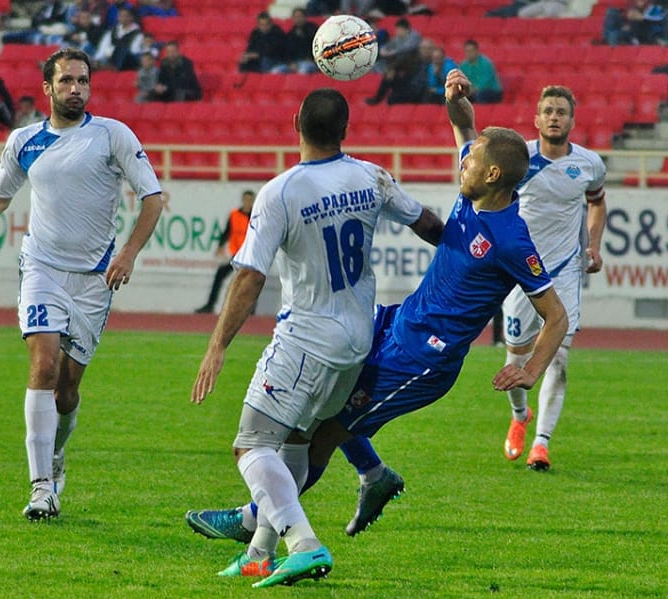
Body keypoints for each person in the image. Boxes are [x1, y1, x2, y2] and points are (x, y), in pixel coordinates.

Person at [185, 70, 567, 544]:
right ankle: (372, 475)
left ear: (492, 175)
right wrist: (455, 99)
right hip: (399, 320)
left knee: (324, 433)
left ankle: (256, 527)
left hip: (424, 358)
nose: (461, 165)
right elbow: (465, 130)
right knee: (324, 407)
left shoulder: (512, 239)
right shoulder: (477, 191)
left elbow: (556, 315)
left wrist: (531, 369)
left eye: (470, 165)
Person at [189, 87, 443, 587]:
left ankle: (302, 542)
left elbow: (249, 276)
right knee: (298, 442)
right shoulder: (372, 177)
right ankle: (259, 553)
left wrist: (216, 346)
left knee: (251, 445)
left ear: (294, 122)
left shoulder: (282, 191)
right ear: (345, 131)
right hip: (357, 339)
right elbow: (430, 225)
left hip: (306, 337)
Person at [0, 48, 163, 521]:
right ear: (47, 89)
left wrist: (127, 254)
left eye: (83, 81)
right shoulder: (24, 141)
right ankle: (41, 487)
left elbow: (153, 199)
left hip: (94, 279)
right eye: (67, 81)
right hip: (41, 269)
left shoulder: (112, 135)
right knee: (42, 365)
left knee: (67, 391)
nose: (76, 89)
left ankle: (56, 458)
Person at [498, 84, 606, 472]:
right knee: (516, 354)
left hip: (564, 273)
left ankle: (541, 445)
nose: (555, 117)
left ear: (572, 121)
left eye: (562, 111)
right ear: (537, 119)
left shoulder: (589, 164)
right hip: (520, 273)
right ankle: (520, 416)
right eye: (548, 111)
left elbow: (596, 202)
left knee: (558, 360)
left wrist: (593, 244)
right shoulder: (516, 158)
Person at [194, 189, 256, 314]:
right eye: (246, 200)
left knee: (250, 282)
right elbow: (227, 231)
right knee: (220, 275)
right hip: (236, 253)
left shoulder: (255, 216)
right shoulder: (234, 214)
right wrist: (221, 245)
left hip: (249, 255)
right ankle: (210, 305)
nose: (248, 203)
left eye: (250, 200)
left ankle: (250, 309)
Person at [93, 6, 144, 71]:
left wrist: (115, 52)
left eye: (124, 16)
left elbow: (133, 51)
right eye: (120, 15)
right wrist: (97, 59)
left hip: (125, 61)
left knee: (122, 50)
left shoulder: (137, 34)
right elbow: (103, 46)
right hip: (109, 58)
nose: (121, 18)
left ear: (131, 17)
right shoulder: (113, 30)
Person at [271, 7, 319, 74]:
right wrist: (290, 63)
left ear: (305, 17)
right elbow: (287, 52)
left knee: (303, 70)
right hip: (294, 63)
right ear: (293, 19)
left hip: (310, 62)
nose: (298, 19)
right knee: (275, 71)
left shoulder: (313, 30)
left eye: (300, 16)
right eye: (296, 17)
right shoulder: (290, 34)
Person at [458, 39, 503, 104]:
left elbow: (485, 83)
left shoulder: (486, 64)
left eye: (471, 51)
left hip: (491, 91)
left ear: (477, 51)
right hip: (472, 91)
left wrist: (472, 90)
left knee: (480, 95)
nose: (469, 53)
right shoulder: (463, 66)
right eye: (467, 51)